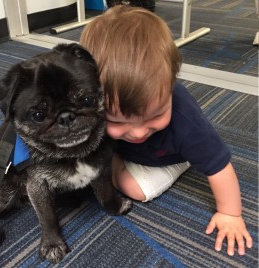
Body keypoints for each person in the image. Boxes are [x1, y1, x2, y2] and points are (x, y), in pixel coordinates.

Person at [80, 5, 253, 256]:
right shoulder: (91, 106)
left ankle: (146, 161)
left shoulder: (186, 121)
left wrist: (230, 213)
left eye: (156, 115)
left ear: (171, 85)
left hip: (166, 158)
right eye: (117, 121)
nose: (138, 133)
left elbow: (221, 168)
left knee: (133, 189)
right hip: (137, 153)